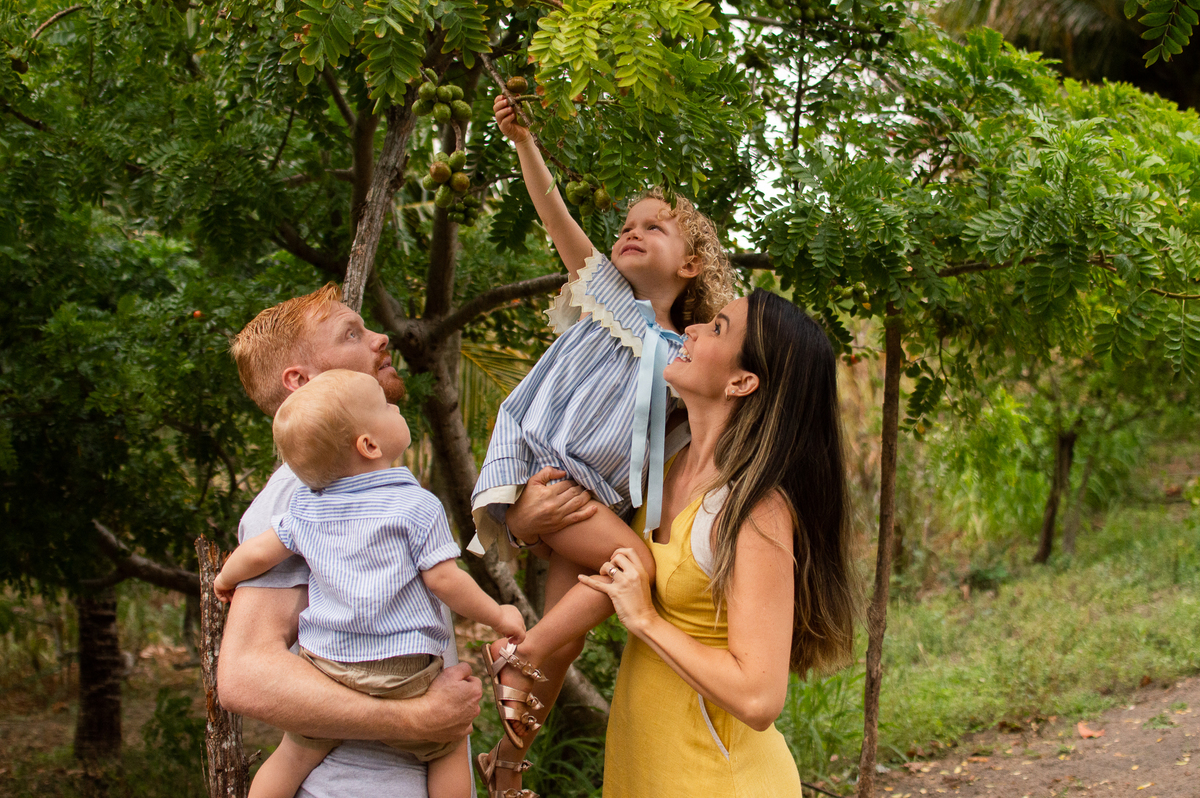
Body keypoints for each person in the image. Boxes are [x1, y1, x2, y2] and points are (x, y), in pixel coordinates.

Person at [469, 96, 736, 798]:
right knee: (635, 564)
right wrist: (524, 140)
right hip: (541, 468)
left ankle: (505, 764)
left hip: (590, 496)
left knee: (569, 638)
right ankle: (515, 655)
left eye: (655, 227)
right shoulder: (613, 298)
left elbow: (712, 424)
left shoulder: (692, 355)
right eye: (627, 225)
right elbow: (556, 215)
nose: (631, 231)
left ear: (692, 266)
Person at [490, 290, 860, 796]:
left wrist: (644, 619)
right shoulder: (657, 470)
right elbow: (580, 557)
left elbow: (758, 699)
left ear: (742, 381)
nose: (691, 330)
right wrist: (525, 524)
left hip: (718, 780)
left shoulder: (754, 509)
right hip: (643, 771)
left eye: (717, 329)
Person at [218, 285, 482, 798]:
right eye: (352, 334)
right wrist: (415, 719)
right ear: (301, 382)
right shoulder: (305, 496)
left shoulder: (351, 488)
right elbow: (245, 674)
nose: (382, 337)